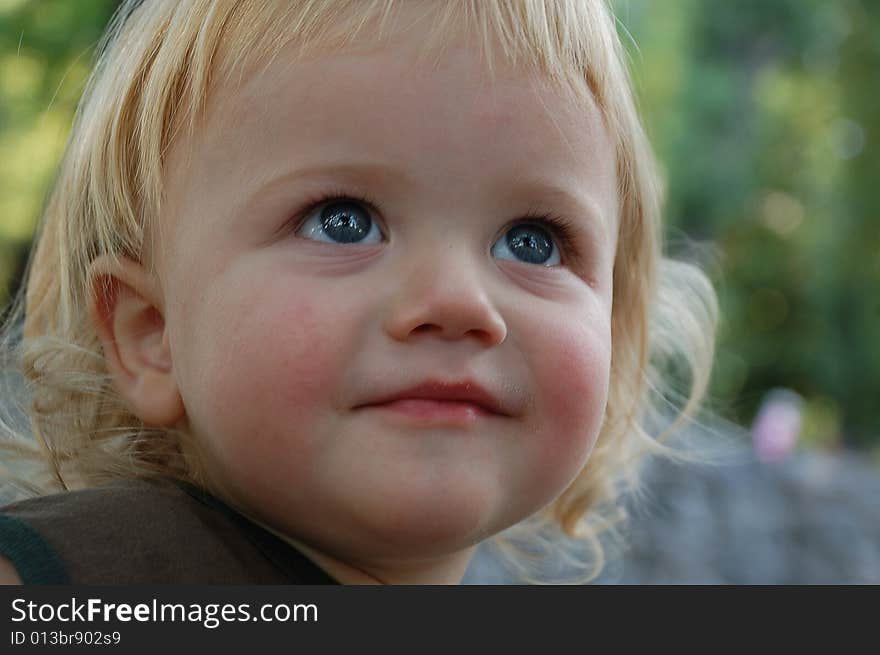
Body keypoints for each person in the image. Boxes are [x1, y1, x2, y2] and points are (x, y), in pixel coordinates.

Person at [0, 0, 718, 584]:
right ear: (152, 332)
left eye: (533, 240)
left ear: (618, 331)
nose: (460, 301)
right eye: (343, 222)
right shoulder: (87, 578)